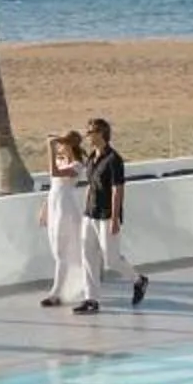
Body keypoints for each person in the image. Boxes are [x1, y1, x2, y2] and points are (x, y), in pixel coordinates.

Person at [81, 116, 147, 309]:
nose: (88, 135)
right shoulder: (92, 157)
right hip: (90, 213)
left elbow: (118, 189)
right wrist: (84, 210)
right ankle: (91, 299)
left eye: (90, 132)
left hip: (107, 214)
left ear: (101, 133)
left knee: (111, 259)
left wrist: (115, 217)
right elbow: (90, 185)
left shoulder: (114, 160)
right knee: (88, 255)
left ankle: (138, 280)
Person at [41, 131, 93, 311]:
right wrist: (45, 209)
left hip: (66, 208)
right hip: (55, 206)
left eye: (63, 143)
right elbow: (53, 184)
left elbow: (54, 173)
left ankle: (55, 293)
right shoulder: (62, 160)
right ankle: (60, 290)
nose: (60, 147)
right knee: (57, 251)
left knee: (62, 251)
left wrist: (50, 149)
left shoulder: (77, 165)